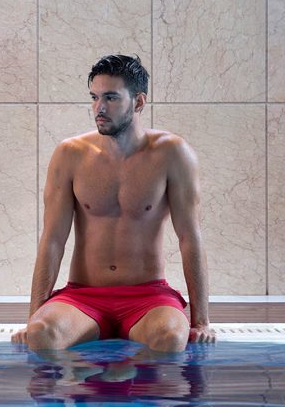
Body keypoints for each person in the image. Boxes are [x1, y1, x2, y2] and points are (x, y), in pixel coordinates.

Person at [11, 54, 216, 352]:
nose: (99, 108)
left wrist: (201, 322)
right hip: (83, 296)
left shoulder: (172, 154)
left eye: (110, 97)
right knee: (42, 336)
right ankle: (100, 383)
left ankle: (119, 381)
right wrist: (33, 318)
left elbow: (190, 238)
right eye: (94, 97)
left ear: (139, 102)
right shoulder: (70, 155)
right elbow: (53, 240)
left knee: (171, 340)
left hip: (148, 297)